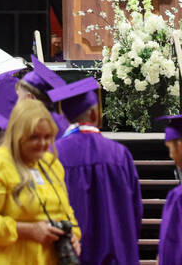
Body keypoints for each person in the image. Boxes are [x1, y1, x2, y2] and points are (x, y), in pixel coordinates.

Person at [0, 99, 81, 264]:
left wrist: (73, 235)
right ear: (17, 135)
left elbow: (65, 210)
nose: (43, 144)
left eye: (48, 137)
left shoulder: (51, 164)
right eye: (34, 137)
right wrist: (27, 230)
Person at [50, 77, 142, 265]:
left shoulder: (54, 154)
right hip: (116, 255)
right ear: (95, 115)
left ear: (65, 117)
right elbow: (135, 210)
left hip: (71, 254)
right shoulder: (120, 154)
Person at [16, 56, 71, 135]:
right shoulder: (64, 123)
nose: (17, 101)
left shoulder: (32, 128)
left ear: (30, 97)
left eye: (18, 96)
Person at [158, 114, 182, 264]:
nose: (171, 155)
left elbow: (171, 248)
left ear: (180, 147)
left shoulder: (178, 197)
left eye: (170, 148)